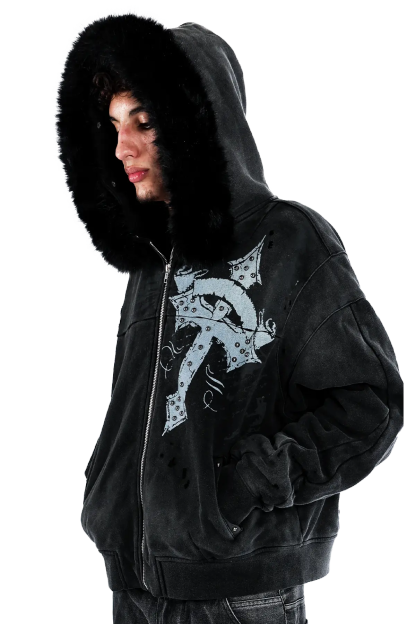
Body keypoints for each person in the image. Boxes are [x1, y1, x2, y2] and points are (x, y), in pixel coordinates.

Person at [52, 8, 405, 624]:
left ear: (197, 122)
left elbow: (369, 403)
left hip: (238, 596)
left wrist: (245, 486)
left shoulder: (288, 240)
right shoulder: (151, 263)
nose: (123, 148)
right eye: (113, 126)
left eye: (144, 122)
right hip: (134, 587)